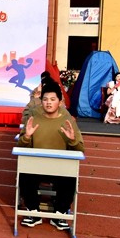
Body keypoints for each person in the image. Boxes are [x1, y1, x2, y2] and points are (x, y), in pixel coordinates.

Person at [17, 82, 84, 230]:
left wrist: (72, 140)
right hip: (37, 167)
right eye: (45, 99)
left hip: (60, 168)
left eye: (53, 99)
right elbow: (20, 146)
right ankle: (33, 212)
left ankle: (59, 214)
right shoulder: (33, 119)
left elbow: (81, 149)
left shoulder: (68, 121)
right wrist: (27, 137)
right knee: (24, 176)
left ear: (60, 102)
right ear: (41, 101)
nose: (48, 103)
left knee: (70, 179)